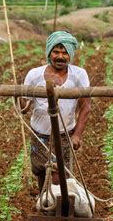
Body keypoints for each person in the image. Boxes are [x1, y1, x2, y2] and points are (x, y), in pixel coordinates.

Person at [18, 31, 91, 192]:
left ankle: (58, 207)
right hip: (39, 136)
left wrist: (77, 135)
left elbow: (85, 107)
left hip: (64, 136)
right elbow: (24, 108)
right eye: (56, 52)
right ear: (49, 53)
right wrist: (19, 93)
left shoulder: (79, 75)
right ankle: (44, 202)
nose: (60, 56)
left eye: (65, 52)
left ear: (70, 55)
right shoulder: (34, 75)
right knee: (41, 173)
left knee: (60, 178)